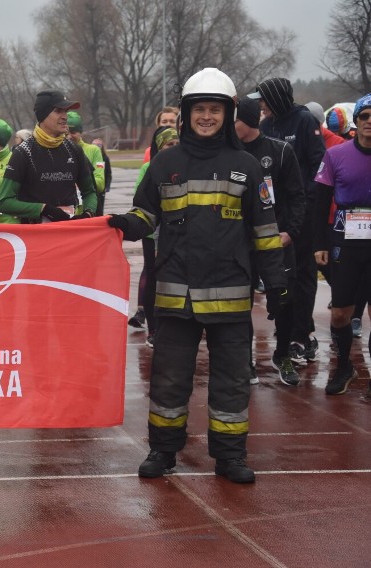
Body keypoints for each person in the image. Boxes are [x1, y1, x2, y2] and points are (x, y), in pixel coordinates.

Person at [107, 68, 287, 484]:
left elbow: (264, 230)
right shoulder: (165, 163)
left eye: (215, 110)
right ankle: (163, 450)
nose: (207, 116)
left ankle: (229, 456)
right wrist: (125, 223)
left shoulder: (246, 167)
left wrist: (277, 283)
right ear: (187, 114)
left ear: (227, 114)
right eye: (199, 109)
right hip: (175, 292)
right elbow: (146, 213)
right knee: (169, 379)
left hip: (230, 293)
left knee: (232, 380)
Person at [250, 77, 326, 367]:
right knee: (283, 276)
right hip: (274, 212)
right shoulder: (267, 125)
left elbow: (319, 163)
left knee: (304, 273)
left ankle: (301, 333)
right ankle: (293, 331)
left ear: (278, 98)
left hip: (304, 210)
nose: (262, 105)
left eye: (265, 100)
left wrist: (306, 198)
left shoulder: (304, 121)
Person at [235, 97, 306, 386]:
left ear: (250, 121)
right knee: (241, 301)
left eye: (234, 120)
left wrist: (290, 232)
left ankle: (282, 355)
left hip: (277, 242)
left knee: (285, 300)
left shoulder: (280, 152)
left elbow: (298, 197)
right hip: (241, 243)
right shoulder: (229, 153)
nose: (228, 126)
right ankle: (246, 361)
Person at [313, 93, 371, 397]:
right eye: (365, 117)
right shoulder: (336, 155)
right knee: (340, 314)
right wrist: (319, 243)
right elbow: (320, 201)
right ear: (357, 121)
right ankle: (344, 366)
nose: (370, 122)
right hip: (344, 243)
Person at [0, 90, 97, 222]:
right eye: (58, 111)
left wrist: (88, 213)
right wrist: (43, 209)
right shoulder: (23, 152)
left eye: (65, 111)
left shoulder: (74, 149)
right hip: (36, 236)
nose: (64, 116)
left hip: (69, 232)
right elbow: (4, 202)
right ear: (43, 114)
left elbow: (89, 192)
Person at [131, 126, 179, 346]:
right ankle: (153, 329)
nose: (174, 148)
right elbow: (140, 200)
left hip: (176, 233)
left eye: (177, 144)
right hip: (152, 234)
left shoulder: (185, 165)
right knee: (153, 277)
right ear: (159, 147)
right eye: (169, 144)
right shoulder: (150, 168)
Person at [66, 111, 106, 214]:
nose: (69, 136)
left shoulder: (94, 150)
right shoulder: (58, 151)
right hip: (66, 212)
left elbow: (100, 183)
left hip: (88, 211)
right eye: (66, 133)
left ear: (81, 132)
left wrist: (81, 182)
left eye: (73, 132)